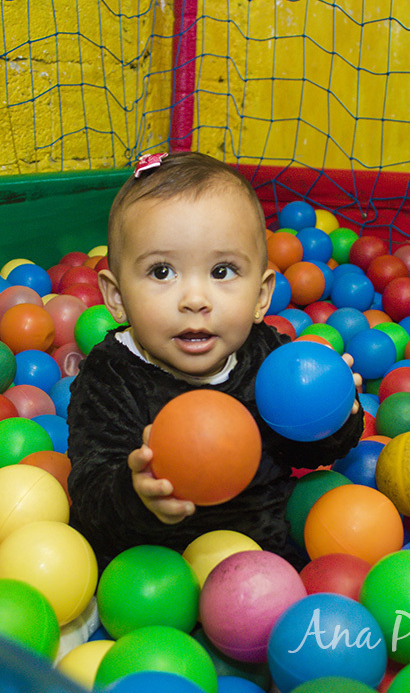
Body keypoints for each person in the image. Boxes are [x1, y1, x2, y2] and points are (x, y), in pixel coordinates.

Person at [66, 151, 364, 569]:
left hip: (265, 565)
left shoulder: (268, 358)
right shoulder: (110, 377)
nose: (194, 300)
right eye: (162, 272)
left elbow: (300, 451)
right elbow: (90, 491)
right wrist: (135, 495)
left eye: (222, 272)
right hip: (149, 575)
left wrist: (337, 414)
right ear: (116, 298)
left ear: (261, 296)